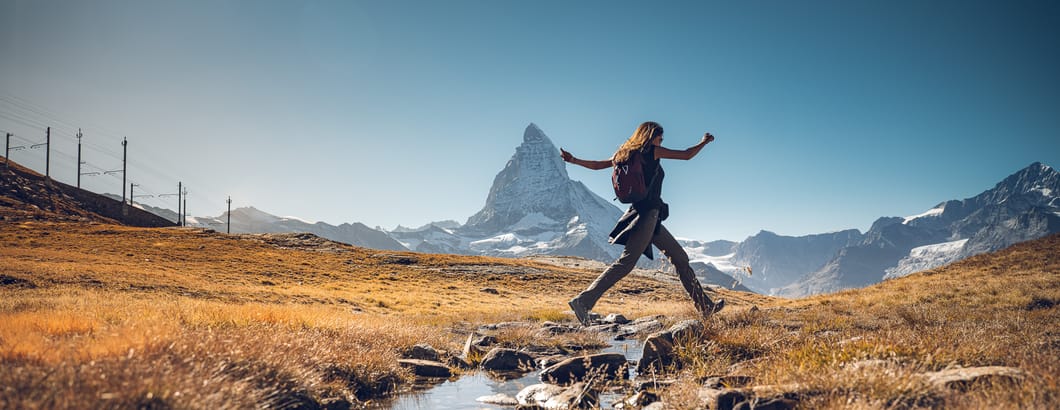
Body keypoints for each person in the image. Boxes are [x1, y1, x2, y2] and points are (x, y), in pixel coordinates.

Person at [559, 121, 724, 326]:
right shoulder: (651, 151)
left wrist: (573, 160)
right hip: (647, 215)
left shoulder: (625, 153)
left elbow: (597, 165)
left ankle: (705, 306)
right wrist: (704, 142)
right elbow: (686, 155)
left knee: (680, 257)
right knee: (626, 262)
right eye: (660, 138)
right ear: (651, 136)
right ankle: (583, 301)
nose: (661, 142)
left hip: (647, 215)